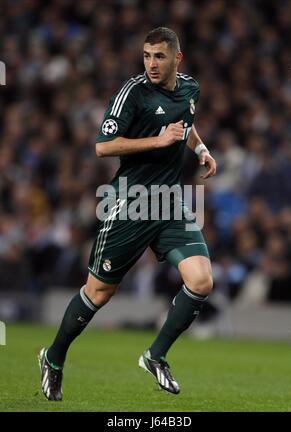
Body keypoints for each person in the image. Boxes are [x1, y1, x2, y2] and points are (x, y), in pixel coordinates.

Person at [38, 27, 217, 401]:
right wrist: (159, 140)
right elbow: (103, 147)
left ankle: (155, 355)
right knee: (100, 292)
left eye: (159, 56)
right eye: (147, 55)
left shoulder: (189, 89)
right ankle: (53, 358)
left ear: (177, 59)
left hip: (169, 201)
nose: (151, 63)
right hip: (131, 202)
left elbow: (186, 124)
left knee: (201, 281)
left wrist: (200, 149)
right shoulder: (132, 93)